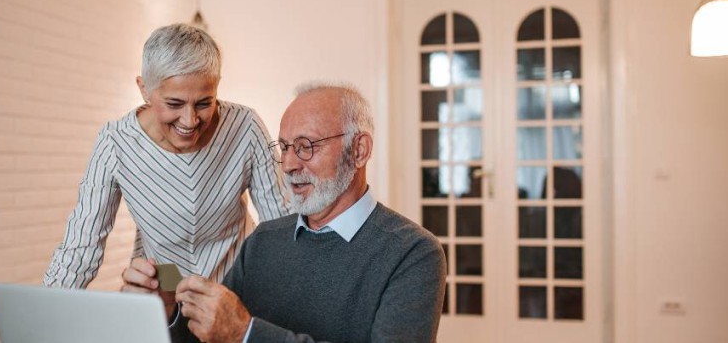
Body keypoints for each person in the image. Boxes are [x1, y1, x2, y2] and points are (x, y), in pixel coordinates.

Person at [122, 82, 447, 342]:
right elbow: (213, 336)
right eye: (285, 147)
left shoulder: (413, 253)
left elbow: (235, 333)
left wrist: (246, 334)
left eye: (306, 146)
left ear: (359, 150)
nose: (289, 164)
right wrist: (168, 313)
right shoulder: (264, 240)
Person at [43, 24, 288, 290]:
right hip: (161, 292)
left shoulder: (245, 127)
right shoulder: (115, 143)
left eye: (204, 103)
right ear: (144, 89)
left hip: (236, 288)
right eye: (174, 103)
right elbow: (82, 245)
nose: (190, 120)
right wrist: (45, 306)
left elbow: (282, 226)